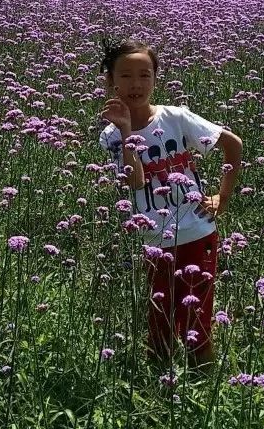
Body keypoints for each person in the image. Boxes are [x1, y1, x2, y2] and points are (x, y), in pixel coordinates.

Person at [97, 36, 243, 368]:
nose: (136, 84)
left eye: (145, 75)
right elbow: (134, 181)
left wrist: (224, 195)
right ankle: (159, 386)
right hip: (154, 240)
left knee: (197, 315)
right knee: (159, 316)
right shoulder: (110, 136)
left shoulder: (176, 118)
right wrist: (125, 132)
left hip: (197, 232)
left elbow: (232, 145)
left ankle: (203, 379)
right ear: (110, 81)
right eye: (126, 76)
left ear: (155, 78)